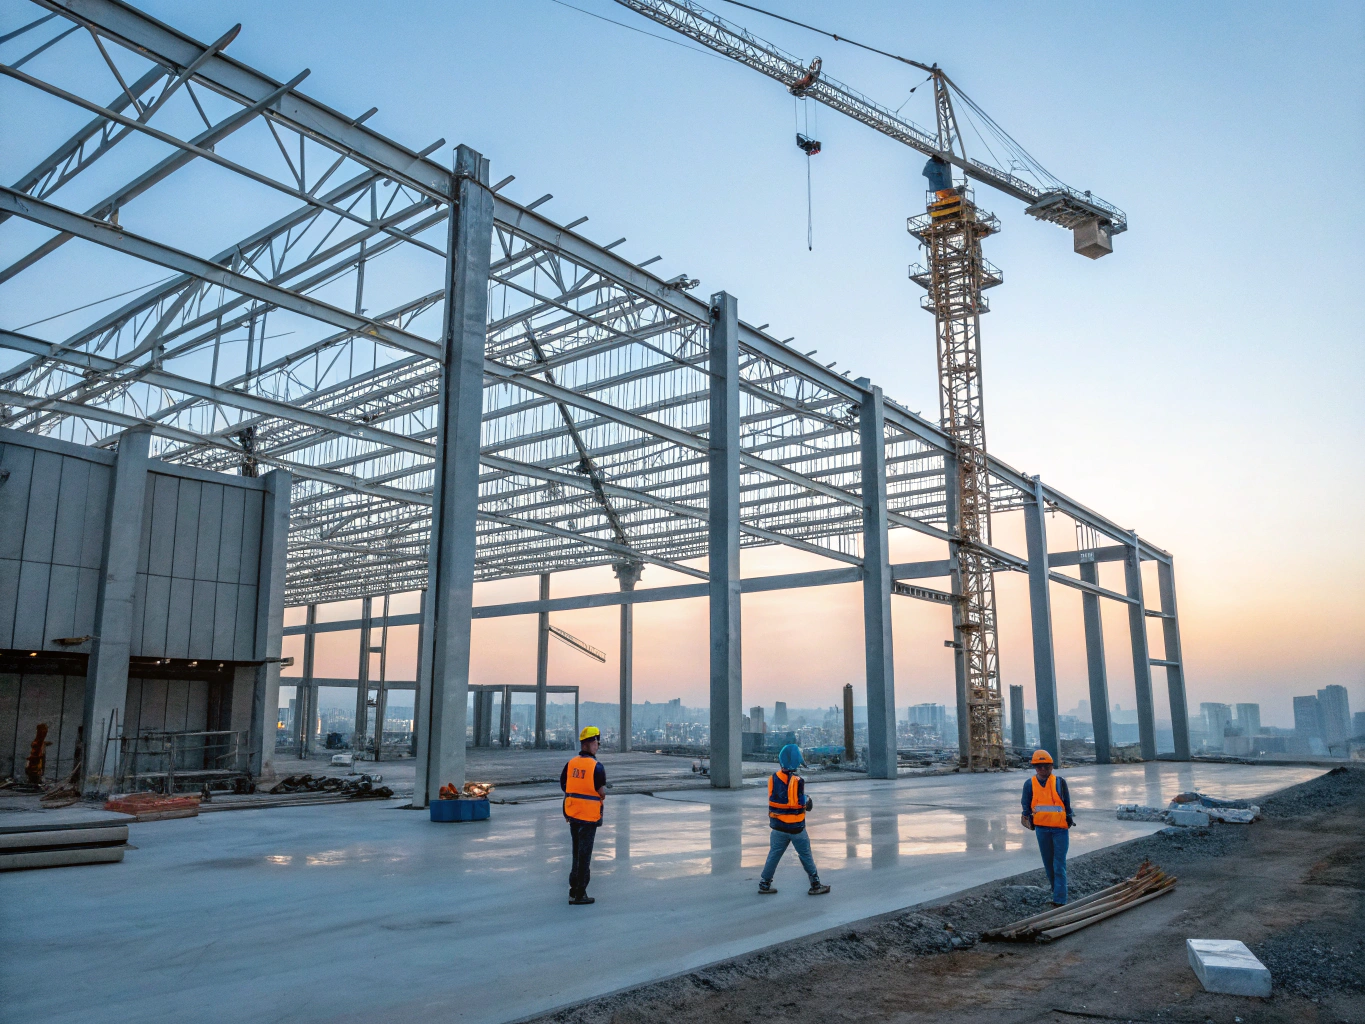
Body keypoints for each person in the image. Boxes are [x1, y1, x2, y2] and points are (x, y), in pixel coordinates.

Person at [758, 743, 830, 896]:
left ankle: (764, 883)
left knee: (774, 855)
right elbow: (802, 803)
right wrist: (808, 800)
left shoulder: (773, 778)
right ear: (797, 761)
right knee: (805, 855)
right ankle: (815, 884)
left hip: (777, 827)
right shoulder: (797, 781)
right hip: (796, 828)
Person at [1020, 748, 1075, 905]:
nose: (1043, 769)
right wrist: (1027, 818)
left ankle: (1060, 900)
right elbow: (1026, 805)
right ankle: (1056, 891)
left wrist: (1068, 818)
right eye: (1039, 766)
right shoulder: (1029, 784)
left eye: (1046, 766)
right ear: (1035, 767)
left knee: (1059, 865)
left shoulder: (1059, 782)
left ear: (1051, 767)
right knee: (1049, 865)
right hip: (1042, 829)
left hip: (1059, 830)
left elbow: (1067, 804)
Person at [560, 726, 607, 905]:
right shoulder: (597, 767)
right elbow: (600, 791)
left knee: (576, 853)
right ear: (589, 743)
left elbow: (564, 784)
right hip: (589, 817)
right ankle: (580, 893)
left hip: (573, 814)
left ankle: (574, 889)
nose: (598, 746)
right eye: (596, 742)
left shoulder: (571, 763)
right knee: (584, 855)